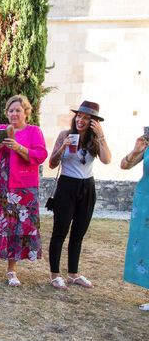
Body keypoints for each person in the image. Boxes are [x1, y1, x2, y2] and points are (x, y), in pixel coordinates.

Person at [0, 95, 48, 286]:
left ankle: (12, 271)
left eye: (18, 110)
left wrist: (19, 148)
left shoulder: (33, 131)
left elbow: (41, 155)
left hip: (21, 188)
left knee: (16, 228)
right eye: (11, 110)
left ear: (26, 113)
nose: (14, 114)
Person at [47, 101, 111, 290]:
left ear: (94, 122)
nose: (81, 120)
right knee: (60, 232)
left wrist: (101, 136)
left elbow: (107, 160)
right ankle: (55, 275)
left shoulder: (94, 139)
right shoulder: (65, 135)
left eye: (87, 118)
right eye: (79, 116)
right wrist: (62, 147)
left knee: (79, 233)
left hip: (87, 187)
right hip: (67, 185)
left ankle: (73, 274)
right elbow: (51, 163)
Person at [121, 132, 149, 308]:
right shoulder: (146, 143)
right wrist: (135, 151)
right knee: (145, 248)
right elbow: (124, 165)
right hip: (145, 201)